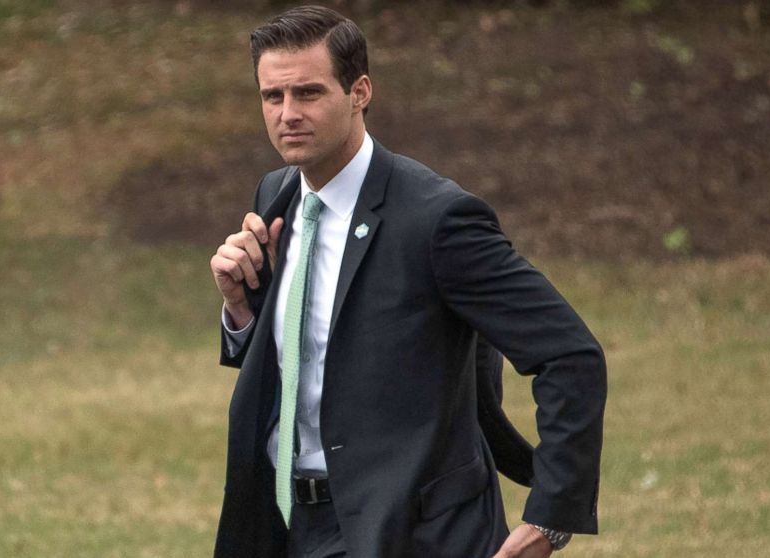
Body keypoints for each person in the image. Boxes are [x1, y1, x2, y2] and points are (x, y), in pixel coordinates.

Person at [209, 6, 606, 558]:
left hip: (414, 534)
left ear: (360, 92)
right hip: (288, 526)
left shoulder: (437, 220)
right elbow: (316, 356)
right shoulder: (275, 194)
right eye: (272, 97)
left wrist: (552, 516)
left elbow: (569, 354)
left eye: (309, 93)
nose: (288, 114)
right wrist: (241, 314)